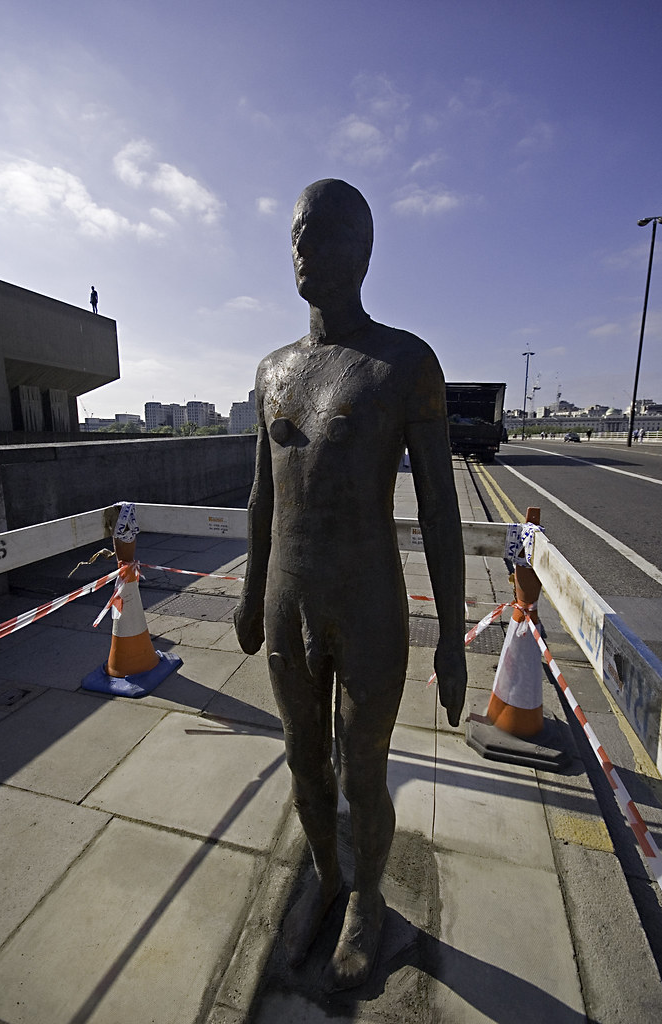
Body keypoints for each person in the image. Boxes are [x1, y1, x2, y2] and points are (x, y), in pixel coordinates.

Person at [234, 179, 467, 990]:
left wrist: (452, 647)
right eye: (296, 231)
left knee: (362, 764)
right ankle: (325, 878)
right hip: (288, 598)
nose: (304, 245)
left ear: (362, 250)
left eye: (323, 232)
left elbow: (438, 511)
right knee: (304, 759)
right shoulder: (270, 371)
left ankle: (365, 895)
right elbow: (263, 493)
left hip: (368, 602)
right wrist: (248, 589)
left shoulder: (403, 362)